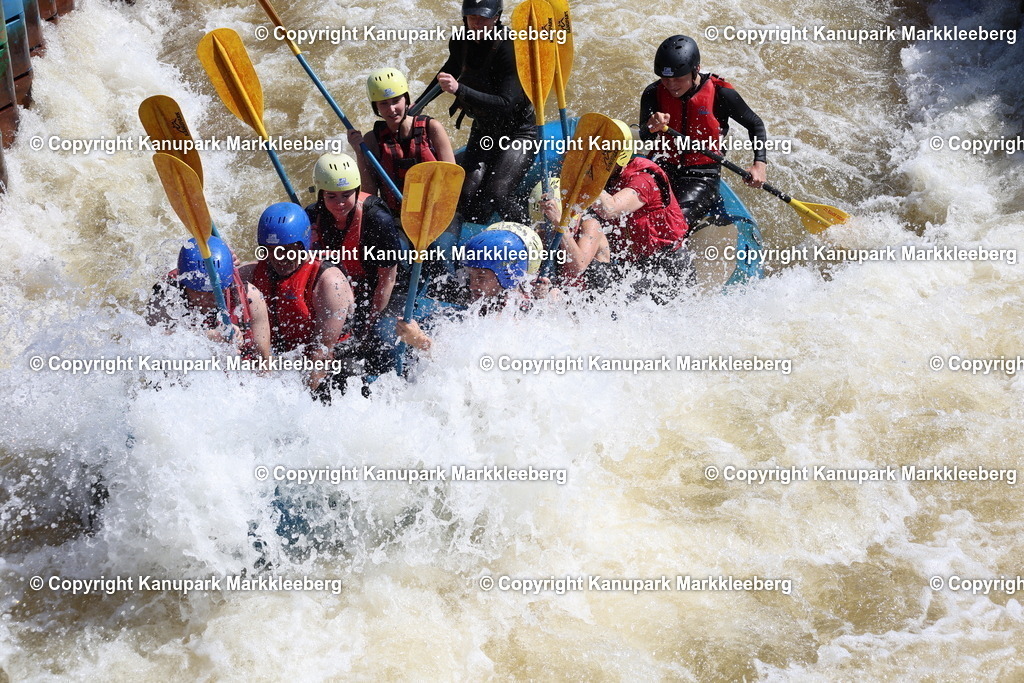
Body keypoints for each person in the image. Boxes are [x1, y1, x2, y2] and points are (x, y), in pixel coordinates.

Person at [414, 0, 536, 224]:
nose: (477, 23)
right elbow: (447, 72)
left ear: (497, 17)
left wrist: (460, 89)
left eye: (483, 18)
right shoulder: (461, 41)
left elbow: (506, 102)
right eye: (472, 18)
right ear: (465, 18)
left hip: (519, 134)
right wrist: (416, 108)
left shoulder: (510, 48)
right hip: (484, 130)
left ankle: (533, 235)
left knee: (498, 193)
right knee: (466, 195)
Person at [639, 35, 768, 224]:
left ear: (695, 70)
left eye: (678, 79)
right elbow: (645, 137)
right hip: (662, 166)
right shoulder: (653, 92)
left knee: (671, 223)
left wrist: (760, 165)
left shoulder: (721, 92)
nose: (671, 85)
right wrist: (651, 126)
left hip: (702, 175)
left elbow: (755, 124)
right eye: (666, 79)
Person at [239, 203, 355, 398]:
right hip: (281, 360)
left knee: (344, 377)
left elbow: (322, 353)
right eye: (272, 250)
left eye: (288, 250)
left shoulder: (329, 282)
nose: (279, 258)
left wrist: (299, 405)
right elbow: (210, 285)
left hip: (328, 362)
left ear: (304, 244)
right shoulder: (251, 274)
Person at [305, 152, 405, 375]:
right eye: (331, 196)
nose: (340, 203)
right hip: (345, 288)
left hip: (388, 289)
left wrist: (369, 322)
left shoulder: (378, 220)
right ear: (320, 195)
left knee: (380, 336)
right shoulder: (312, 216)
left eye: (346, 195)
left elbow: (387, 279)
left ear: (357, 191)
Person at [396, 224, 551, 353]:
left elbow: (466, 364)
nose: (472, 285)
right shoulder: (494, 302)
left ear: (507, 276)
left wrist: (420, 341)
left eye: (481, 278)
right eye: (470, 276)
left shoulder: (513, 319)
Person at [590, 119, 690, 295]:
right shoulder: (608, 179)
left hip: (666, 267)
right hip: (634, 266)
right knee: (594, 270)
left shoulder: (643, 178)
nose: (595, 161)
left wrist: (584, 175)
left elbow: (609, 209)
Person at [346, 67, 456, 214]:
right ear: (376, 107)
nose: (391, 109)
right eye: (383, 103)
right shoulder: (372, 139)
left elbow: (452, 178)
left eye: (396, 100)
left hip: (436, 211)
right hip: (396, 215)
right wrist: (359, 152)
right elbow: (369, 193)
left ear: (406, 99)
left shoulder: (432, 128)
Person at [147, 236, 271, 360]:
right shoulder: (167, 296)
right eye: (197, 291)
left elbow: (264, 364)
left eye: (215, 291)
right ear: (184, 284)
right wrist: (210, 335)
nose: (206, 298)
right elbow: (151, 343)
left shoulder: (251, 297)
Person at [530, 177, 612, 291]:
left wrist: (559, 224)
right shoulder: (539, 235)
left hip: (598, 299)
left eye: (553, 227)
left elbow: (579, 266)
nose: (551, 232)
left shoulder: (590, 226)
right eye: (545, 227)